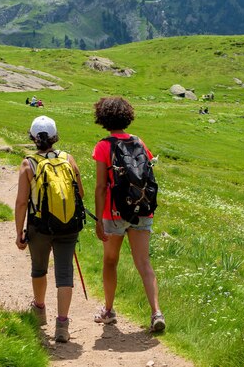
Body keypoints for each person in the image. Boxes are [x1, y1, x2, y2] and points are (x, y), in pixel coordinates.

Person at [91, 97, 166, 332]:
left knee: (110, 261)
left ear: (103, 118)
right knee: (144, 263)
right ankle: (156, 312)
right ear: (127, 116)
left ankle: (109, 311)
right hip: (142, 209)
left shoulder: (103, 146)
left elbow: (102, 186)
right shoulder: (138, 142)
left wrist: (98, 220)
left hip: (114, 213)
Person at [15, 115, 84, 343]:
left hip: (39, 226)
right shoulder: (68, 159)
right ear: (54, 137)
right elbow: (80, 194)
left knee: (39, 269)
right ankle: (62, 325)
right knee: (65, 273)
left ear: (33, 138)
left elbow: (22, 202)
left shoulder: (28, 163)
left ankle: (39, 310)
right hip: (68, 226)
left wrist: (19, 233)